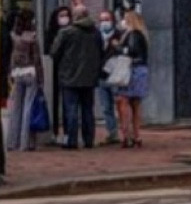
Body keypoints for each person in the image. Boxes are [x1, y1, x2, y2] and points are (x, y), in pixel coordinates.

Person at [49, 8, 104, 149]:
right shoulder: (96, 33)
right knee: (87, 109)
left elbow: (54, 52)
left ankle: (71, 140)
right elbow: (100, 52)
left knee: (71, 109)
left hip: (69, 76)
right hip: (89, 77)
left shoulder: (66, 32)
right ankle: (88, 140)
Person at [4, 9, 44, 153]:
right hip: (30, 72)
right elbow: (37, 59)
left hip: (17, 72)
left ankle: (11, 142)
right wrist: (41, 79)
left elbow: (10, 55)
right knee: (28, 108)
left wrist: (10, 72)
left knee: (16, 108)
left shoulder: (14, 36)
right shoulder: (32, 37)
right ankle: (25, 142)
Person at [113, 10, 150, 148]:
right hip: (141, 70)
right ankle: (137, 135)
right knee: (136, 104)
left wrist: (118, 47)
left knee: (123, 101)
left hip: (131, 70)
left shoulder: (132, 34)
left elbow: (130, 51)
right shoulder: (143, 35)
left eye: (125, 19)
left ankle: (126, 134)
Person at [95, 9, 122, 145]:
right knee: (106, 107)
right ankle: (112, 133)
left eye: (107, 19)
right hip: (101, 76)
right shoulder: (96, 36)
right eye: (101, 20)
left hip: (115, 76)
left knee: (120, 104)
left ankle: (125, 132)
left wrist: (118, 47)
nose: (104, 23)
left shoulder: (118, 35)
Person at [48, 4, 72, 143]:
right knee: (54, 101)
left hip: (68, 70)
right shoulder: (51, 33)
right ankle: (55, 130)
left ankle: (68, 132)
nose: (64, 18)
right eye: (61, 15)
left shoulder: (72, 32)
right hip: (54, 70)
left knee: (68, 103)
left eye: (66, 15)